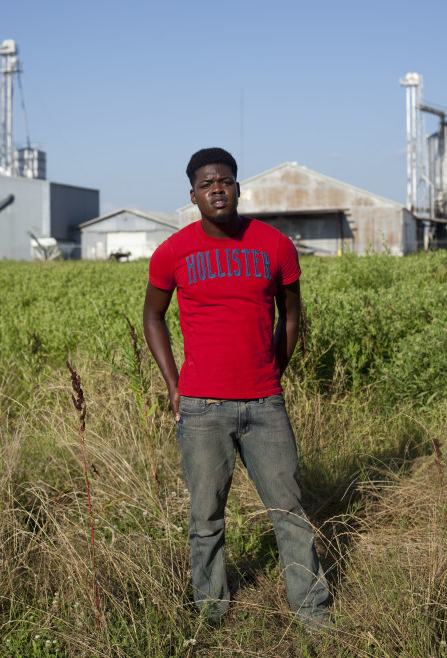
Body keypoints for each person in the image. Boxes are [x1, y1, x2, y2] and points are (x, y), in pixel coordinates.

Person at [142, 147, 330, 629]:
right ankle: (210, 611)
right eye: (206, 184)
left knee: (289, 510)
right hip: (202, 407)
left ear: (239, 187)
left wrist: (274, 371)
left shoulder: (274, 246)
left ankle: (313, 613)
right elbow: (153, 318)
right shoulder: (173, 252)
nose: (217, 189)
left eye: (224, 181)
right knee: (206, 517)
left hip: (265, 404)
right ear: (193, 195)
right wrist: (173, 384)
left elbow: (292, 316)